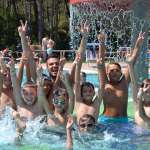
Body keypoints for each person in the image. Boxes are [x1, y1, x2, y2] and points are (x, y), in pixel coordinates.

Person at [97, 31, 145, 123]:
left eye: (117, 70)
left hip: (123, 121)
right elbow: (101, 61)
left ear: (121, 73)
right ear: (107, 73)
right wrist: (102, 43)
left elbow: (132, 61)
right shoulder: (105, 83)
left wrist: (138, 45)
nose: (114, 72)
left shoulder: (124, 82)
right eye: (111, 71)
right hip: (106, 121)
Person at [74, 21, 103, 132]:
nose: (88, 93)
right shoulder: (78, 102)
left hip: (95, 132)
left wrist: (100, 68)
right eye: (85, 91)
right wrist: (84, 37)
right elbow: (77, 83)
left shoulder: (96, 102)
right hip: (79, 132)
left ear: (94, 93)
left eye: (90, 91)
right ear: (81, 93)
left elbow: (101, 84)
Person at [127, 54, 150, 128]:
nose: (148, 89)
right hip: (136, 136)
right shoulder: (137, 103)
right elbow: (133, 83)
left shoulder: (139, 101)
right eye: (146, 86)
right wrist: (130, 65)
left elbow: (142, 115)